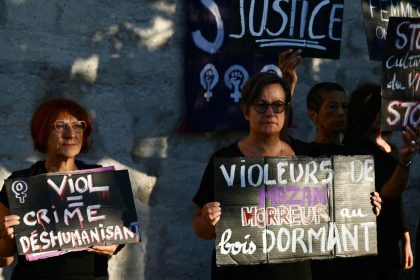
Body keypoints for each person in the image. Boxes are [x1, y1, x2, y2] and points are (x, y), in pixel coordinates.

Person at [193, 72, 311, 280]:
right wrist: (208, 220)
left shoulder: (304, 158)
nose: (270, 112)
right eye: (261, 104)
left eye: (278, 105)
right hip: (239, 274)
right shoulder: (226, 160)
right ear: (246, 111)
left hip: (293, 273)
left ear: (286, 111)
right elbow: (201, 229)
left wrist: (362, 204)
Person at [0, 98, 121, 279]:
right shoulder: (20, 183)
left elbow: (120, 234)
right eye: (60, 126)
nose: (70, 134)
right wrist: (7, 240)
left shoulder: (99, 181)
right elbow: (3, 260)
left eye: (78, 126)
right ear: (42, 133)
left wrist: (115, 245)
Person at [344, 83, 417, 280]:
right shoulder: (355, 148)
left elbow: (396, 198)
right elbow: (386, 192)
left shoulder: (391, 148)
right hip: (367, 236)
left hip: (390, 235)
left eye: (384, 108)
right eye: (374, 109)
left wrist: (406, 237)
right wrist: (405, 158)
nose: (380, 114)